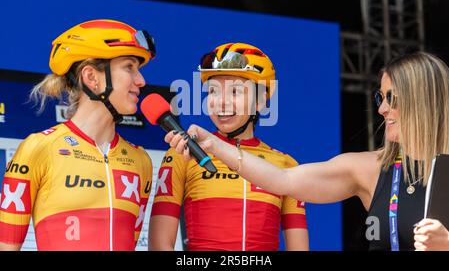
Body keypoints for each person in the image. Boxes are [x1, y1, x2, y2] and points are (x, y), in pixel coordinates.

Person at [165, 52, 449, 251]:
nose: (382, 108)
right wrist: (214, 145)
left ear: (424, 101)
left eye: (391, 98)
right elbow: (283, 180)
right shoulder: (368, 168)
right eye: (379, 96)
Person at [0, 19, 155, 251]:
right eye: (129, 67)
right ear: (91, 77)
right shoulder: (38, 148)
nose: (141, 81)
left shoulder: (140, 161)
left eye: (139, 70)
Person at [149, 43, 308, 251]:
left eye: (235, 92)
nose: (221, 102)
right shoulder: (183, 154)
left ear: (260, 100)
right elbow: (159, 245)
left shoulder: (286, 165)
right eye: (213, 91)